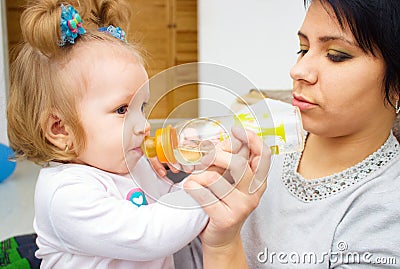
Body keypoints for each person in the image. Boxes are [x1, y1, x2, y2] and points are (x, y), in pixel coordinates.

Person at [175, 0, 400, 268]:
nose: (298, 70)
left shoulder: (387, 213)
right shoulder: (263, 126)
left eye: (336, 55)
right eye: (303, 49)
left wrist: (224, 244)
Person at [6, 0, 213, 268]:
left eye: (143, 107)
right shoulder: (65, 195)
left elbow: (168, 201)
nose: (143, 125)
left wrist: (187, 165)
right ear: (60, 129)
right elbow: (152, 234)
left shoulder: (128, 164)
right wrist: (206, 186)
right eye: (122, 109)